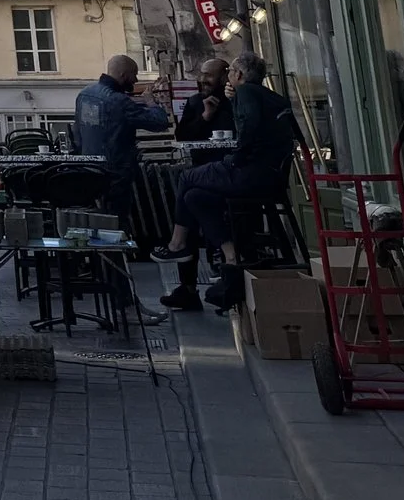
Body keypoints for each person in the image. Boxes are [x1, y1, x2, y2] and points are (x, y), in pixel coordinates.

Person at [154, 54, 301, 311]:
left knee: (186, 177)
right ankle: (231, 259)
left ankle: (177, 245)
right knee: (193, 197)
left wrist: (237, 157)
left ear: (235, 76)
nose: (202, 80)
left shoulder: (245, 95)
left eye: (230, 72)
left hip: (244, 172)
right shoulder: (272, 97)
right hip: (266, 176)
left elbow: (248, 128)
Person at [74, 53, 174, 227]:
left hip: (90, 168)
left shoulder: (85, 94)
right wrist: (150, 102)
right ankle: (121, 252)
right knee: (117, 219)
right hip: (116, 171)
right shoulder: (118, 101)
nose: (135, 80)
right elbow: (159, 123)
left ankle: (102, 252)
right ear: (123, 75)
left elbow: (78, 131)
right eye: (134, 74)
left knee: (98, 218)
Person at [176, 58, 233, 142]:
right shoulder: (194, 101)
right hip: (204, 154)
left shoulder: (235, 100)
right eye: (202, 75)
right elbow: (181, 136)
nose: (202, 80)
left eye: (209, 75)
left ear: (224, 77)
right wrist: (204, 117)